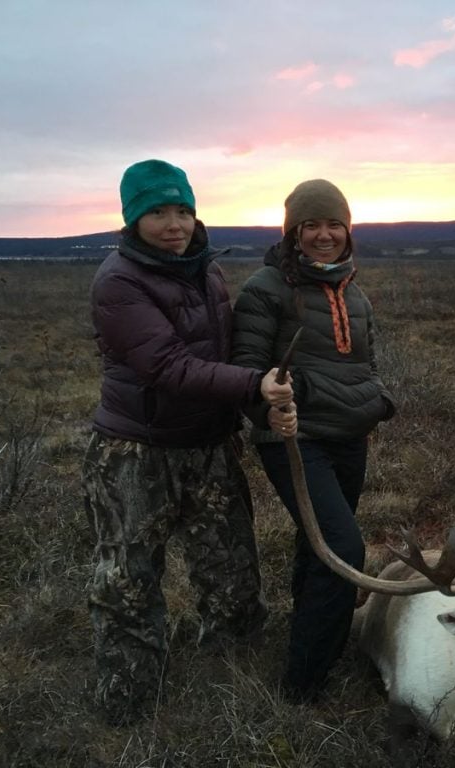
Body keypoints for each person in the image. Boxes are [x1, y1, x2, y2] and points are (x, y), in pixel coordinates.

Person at [82, 159, 297, 726]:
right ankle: (128, 707)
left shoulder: (204, 269)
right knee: (128, 581)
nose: (174, 223)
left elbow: (222, 353)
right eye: (158, 212)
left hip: (209, 443)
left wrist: (256, 403)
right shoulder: (118, 280)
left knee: (231, 574)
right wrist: (255, 385)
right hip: (137, 452)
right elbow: (168, 366)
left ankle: (232, 682)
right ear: (133, 218)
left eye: (182, 209)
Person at [231, 179, 396, 703]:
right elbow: (248, 373)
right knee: (343, 547)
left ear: (348, 231)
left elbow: (365, 363)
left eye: (334, 225)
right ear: (293, 232)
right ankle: (302, 686)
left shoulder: (355, 290)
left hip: (351, 434)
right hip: (295, 439)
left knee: (319, 544)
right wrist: (270, 402)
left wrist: (377, 398)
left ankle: (311, 638)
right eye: (311, 226)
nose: (324, 236)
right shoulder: (266, 288)